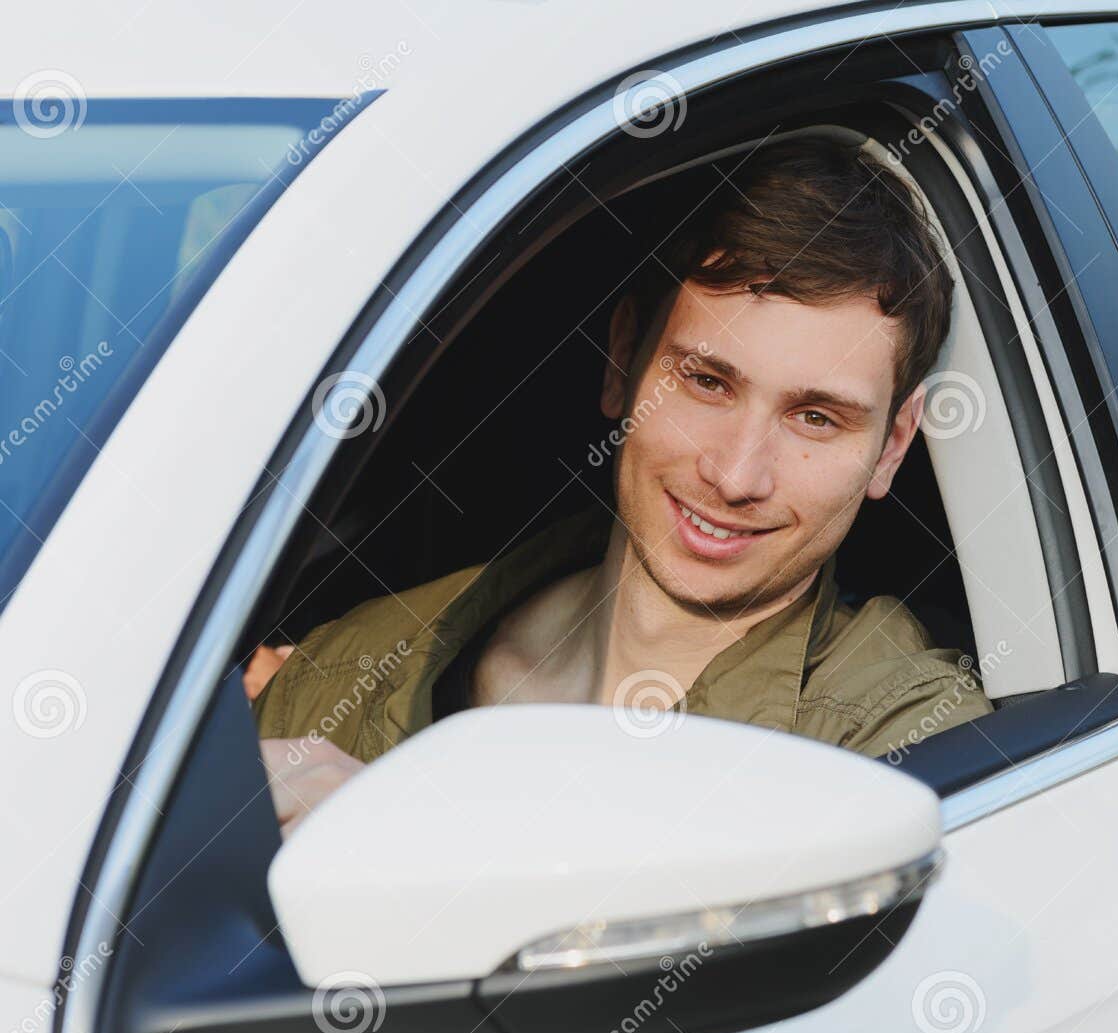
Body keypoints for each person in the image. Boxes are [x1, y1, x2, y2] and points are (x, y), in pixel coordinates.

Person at [251, 137, 994, 832]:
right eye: (707, 382)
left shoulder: (899, 746)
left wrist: (403, 831)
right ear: (621, 362)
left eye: (815, 419)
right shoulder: (339, 673)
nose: (736, 475)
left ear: (893, 446)